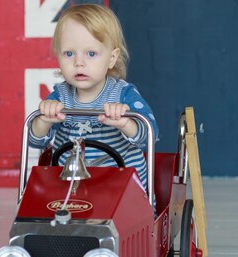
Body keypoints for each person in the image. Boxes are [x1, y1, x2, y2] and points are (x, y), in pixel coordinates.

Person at [29, 4, 159, 189]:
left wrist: (125, 123)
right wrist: (45, 119)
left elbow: (149, 137)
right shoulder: (60, 96)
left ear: (112, 58)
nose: (79, 62)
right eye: (69, 53)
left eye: (91, 53)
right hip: (69, 188)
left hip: (120, 188)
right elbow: (35, 140)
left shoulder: (123, 94)